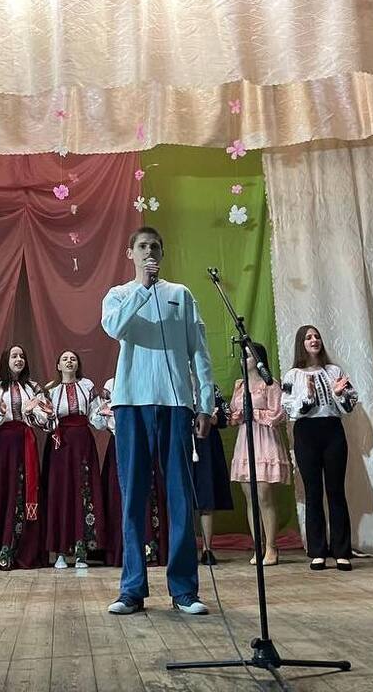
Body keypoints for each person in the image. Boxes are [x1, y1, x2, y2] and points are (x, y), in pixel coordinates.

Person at [101, 225, 214, 615]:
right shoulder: (119, 295)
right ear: (130, 253)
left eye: (155, 246)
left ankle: (184, 590)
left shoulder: (180, 294)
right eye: (143, 246)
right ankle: (132, 588)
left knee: (180, 495)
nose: (149, 251)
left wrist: (204, 405)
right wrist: (142, 288)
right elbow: (115, 328)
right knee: (133, 494)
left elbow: (199, 351)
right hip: (131, 403)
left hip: (176, 404)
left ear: (162, 253)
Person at [282, 326, 358, 571]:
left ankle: (342, 551)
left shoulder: (334, 371)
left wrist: (338, 394)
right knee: (313, 492)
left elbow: (350, 404)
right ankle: (317, 551)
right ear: (301, 344)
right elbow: (288, 408)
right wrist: (308, 398)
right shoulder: (292, 375)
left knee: (336, 491)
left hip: (332, 431)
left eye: (317, 336)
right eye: (308, 337)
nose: (314, 340)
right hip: (306, 433)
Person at [0, 345, 52, 570]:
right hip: (0, 445)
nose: (19, 359)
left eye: (22, 356)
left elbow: (44, 419)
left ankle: (23, 552)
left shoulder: (33, 387)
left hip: (24, 443)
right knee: (1, 491)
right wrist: (0, 412)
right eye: (14, 356)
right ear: (6, 360)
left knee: (23, 490)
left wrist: (31, 411)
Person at [91, 378, 169, 568]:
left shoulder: (152, 380)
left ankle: (151, 548)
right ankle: (122, 551)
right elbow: (98, 419)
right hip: (121, 442)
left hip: (147, 442)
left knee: (148, 493)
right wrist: (112, 418)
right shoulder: (112, 384)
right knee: (120, 494)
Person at [43, 350, 105, 569]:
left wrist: (105, 415)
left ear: (77, 365)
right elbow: (45, 419)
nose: (69, 361)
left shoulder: (87, 386)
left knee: (83, 491)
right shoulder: (50, 390)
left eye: (73, 359)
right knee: (60, 492)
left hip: (82, 444)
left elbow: (97, 415)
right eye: (65, 359)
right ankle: (60, 552)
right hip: (59, 445)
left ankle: (81, 553)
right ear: (58, 366)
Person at [228, 343, 289, 566]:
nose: (244, 360)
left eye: (248, 356)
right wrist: (235, 416)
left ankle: (272, 547)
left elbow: (278, 414)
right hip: (245, 440)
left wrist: (254, 413)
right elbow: (234, 414)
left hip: (265, 440)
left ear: (258, 359)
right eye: (242, 356)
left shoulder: (270, 384)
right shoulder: (240, 386)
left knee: (264, 495)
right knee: (250, 498)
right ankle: (258, 546)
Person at [192, 385, 234, 566]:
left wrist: (215, 419)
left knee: (207, 497)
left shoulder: (209, 387)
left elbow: (226, 414)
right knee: (182, 499)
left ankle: (207, 549)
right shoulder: (175, 386)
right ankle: (185, 548)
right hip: (182, 442)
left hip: (207, 443)